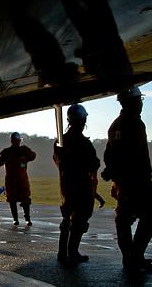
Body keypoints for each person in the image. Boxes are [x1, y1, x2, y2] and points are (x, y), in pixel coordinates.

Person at [102, 87, 152, 273]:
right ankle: (134, 257)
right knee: (150, 220)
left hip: (122, 182)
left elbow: (109, 154)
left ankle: (130, 258)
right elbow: (134, 154)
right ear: (133, 101)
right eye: (139, 99)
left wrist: (113, 173)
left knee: (124, 220)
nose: (141, 103)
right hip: (138, 181)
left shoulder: (115, 125)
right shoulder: (135, 123)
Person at [53, 104, 100, 264]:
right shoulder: (84, 143)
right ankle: (72, 252)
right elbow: (94, 164)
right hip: (81, 184)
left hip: (66, 184)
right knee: (79, 220)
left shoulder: (60, 142)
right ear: (83, 120)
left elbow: (58, 161)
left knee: (67, 217)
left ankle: (62, 252)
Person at [0, 132, 36, 226]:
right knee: (12, 199)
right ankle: (15, 219)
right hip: (11, 180)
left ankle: (27, 219)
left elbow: (33, 156)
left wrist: (26, 151)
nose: (16, 142)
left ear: (20, 141)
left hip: (22, 180)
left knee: (25, 199)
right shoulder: (6, 152)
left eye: (17, 140)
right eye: (14, 140)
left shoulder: (24, 150)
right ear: (11, 141)